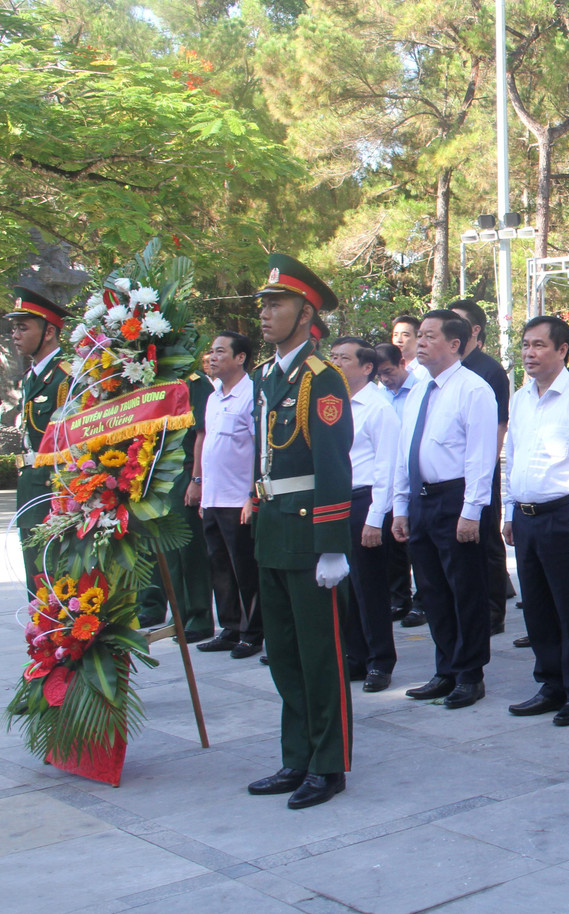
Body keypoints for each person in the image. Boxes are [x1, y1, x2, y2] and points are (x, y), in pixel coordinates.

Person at [244, 254, 355, 810]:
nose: (265, 314)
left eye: (277, 304)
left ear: (305, 312)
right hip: (273, 529)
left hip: (311, 532)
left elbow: (334, 465)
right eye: (263, 305)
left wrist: (333, 545)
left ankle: (328, 764)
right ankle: (297, 757)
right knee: (283, 652)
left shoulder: (322, 378)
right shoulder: (268, 377)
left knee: (318, 655)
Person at [502, 316, 569, 726]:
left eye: (539, 346)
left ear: (562, 350)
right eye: (526, 345)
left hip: (567, 515)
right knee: (538, 608)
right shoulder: (520, 398)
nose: (529, 353)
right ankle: (551, 683)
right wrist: (510, 508)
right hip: (527, 516)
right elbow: (512, 454)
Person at [392, 310, 498, 710]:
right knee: (432, 588)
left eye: (430, 336)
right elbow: (406, 450)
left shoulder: (473, 389)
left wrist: (471, 511)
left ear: (454, 344)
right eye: (418, 335)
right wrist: (401, 506)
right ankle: (446, 668)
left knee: (464, 590)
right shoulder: (419, 388)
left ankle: (470, 674)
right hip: (421, 499)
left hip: (456, 499)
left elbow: (480, 456)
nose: (420, 342)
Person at [329, 337, 400, 693]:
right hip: (336, 501)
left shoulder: (377, 406)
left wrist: (376, 517)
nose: (336, 363)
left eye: (344, 358)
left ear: (367, 367)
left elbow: (387, 465)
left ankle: (379, 661)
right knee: (342, 584)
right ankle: (353, 656)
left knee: (369, 587)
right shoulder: (333, 404)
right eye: (333, 357)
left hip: (365, 500)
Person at [196, 331, 263, 659]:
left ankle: (252, 633)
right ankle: (230, 626)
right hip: (213, 497)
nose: (212, 356)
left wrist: (252, 495)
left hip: (238, 499)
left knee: (244, 567)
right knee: (219, 566)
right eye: (211, 351)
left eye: (220, 351)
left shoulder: (252, 394)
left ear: (240, 358)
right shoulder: (213, 397)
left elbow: (259, 449)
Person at [450, 299, 514, 638]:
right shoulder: (448, 371)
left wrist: (485, 470)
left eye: (456, 322)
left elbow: (499, 426)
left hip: (481, 470)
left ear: (474, 330)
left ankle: (493, 609)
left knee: (487, 539)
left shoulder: (487, 370)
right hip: (451, 476)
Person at [140, 357, 215, 639]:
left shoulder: (194, 383)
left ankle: (197, 617)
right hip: (151, 474)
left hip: (182, 472)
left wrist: (197, 479)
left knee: (188, 550)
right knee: (156, 547)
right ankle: (154, 605)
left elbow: (202, 433)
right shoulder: (149, 381)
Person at [8, 288, 71, 593]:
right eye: (13, 328)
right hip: (30, 486)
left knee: (55, 580)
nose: (15, 334)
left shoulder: (65, 377)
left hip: (53, 488)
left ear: (48, 332)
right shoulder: (31, 378)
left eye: (23, 327)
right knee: (36, 579)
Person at [375, 342, 423, 627]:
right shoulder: (380, 397)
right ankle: (399, 599)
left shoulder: (420, 391)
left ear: (403, 363)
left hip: (415, 477)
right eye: (380, 374)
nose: (386, 379)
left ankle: (422, 602)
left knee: (417, 546)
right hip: (390, 477)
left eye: (390, 371)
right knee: (394, 544)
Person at [391, 313, 429, 379]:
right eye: (395, 335)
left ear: (418, 337)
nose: (399, 340)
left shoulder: (426, 369)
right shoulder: (388, 370)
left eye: (405, 335)